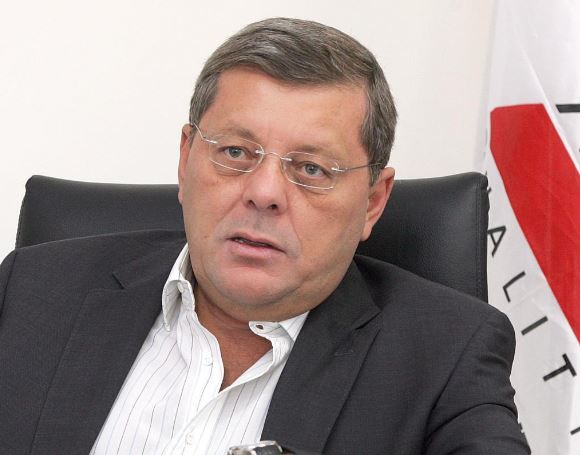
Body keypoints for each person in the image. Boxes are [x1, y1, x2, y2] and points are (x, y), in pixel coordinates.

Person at [0, 17, 529, 455]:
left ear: (373, 201)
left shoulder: (445, 355)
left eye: (312, 169)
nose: (264, 192)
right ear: (186, 159)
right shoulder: (32, 292)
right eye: (235, 152)